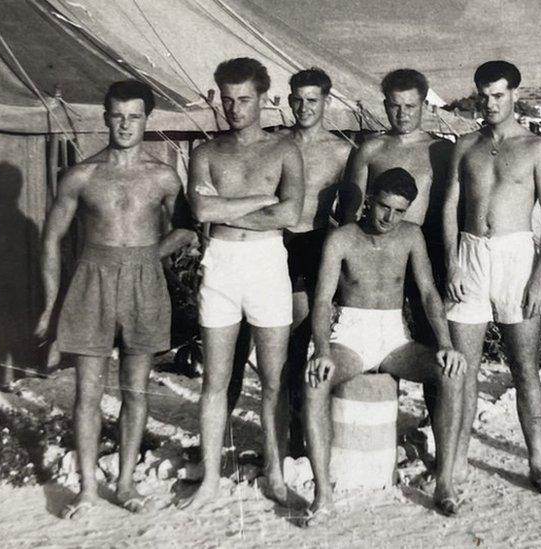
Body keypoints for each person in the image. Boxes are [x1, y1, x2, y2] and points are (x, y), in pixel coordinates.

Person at [35, 80, 192, 519]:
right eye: (117, 116)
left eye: (134, 116)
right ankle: (87, 489)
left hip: (145, 284)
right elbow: (51, 239)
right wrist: (50, 305)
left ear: (147, 120)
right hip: (92, 281)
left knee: (136, 392)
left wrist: (148, 256)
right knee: (88, 393)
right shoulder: (82, 175)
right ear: (105, 117)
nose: (125, 125)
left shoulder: (162, 175)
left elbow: (186, 228)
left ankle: (124, 483)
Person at [303, 168, 467, 525]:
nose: (389, 218)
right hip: (350, 335)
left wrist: (445, 344)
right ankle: (323, 495)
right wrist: (322, 350)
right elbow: (321, 301)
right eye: (383, 207)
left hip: (394, 337)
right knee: (314, 381)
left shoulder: (410, 237)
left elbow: (427, 294)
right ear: (369, 200)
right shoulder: (342, 238)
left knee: (451, 374)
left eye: (399, 211)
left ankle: (445, 483)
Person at [181, 57, 304, 508]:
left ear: (265, 99)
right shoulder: (206, 153)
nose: (235, 109)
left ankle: (275, 476)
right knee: (215, 380)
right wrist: (262, 198)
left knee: (274, 380)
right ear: (217, 98)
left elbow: (290, 215)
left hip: (269, 264)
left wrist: (226, 205)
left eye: (245, 100)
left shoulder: (284, 149)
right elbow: (200, 212)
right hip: (222, 265)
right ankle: (210, 480)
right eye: (228, 100)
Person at [443, 60, 541, 494]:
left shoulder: (536, 148)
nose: (490, 103)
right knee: (463, 369)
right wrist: (454, 262)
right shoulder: (465, 145)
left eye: (498, 95)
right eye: (483, 95)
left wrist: (539, 278)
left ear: (515, 94)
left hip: (517, 257)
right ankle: (455, 461)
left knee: (524, 367)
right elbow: (449, 208)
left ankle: (538, 461)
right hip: (471, 255)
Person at [340, 68, 453, 418]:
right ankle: (374, 435)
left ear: (425, 104)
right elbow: (349, 214)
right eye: (394, 106)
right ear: (385, 106)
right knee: (378, 349)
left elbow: (452, 210)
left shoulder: (441, 151)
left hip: (424, 254)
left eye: (410, 106)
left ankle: (435, 436)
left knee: (432, 347)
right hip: (376, 258)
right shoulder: (371, 149)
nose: (402, 114)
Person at [276, 68, 354, 455]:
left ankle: (306, 427)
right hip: (276, 242)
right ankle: (290, 429)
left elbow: (352, 211)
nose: (304, 107)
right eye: (297, 99)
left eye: (312, 100)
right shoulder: (275, 143)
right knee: (283, 340)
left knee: (305, 335)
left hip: (316, 241)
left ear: (326, 101)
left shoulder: (341, 151)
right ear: (288, 99)